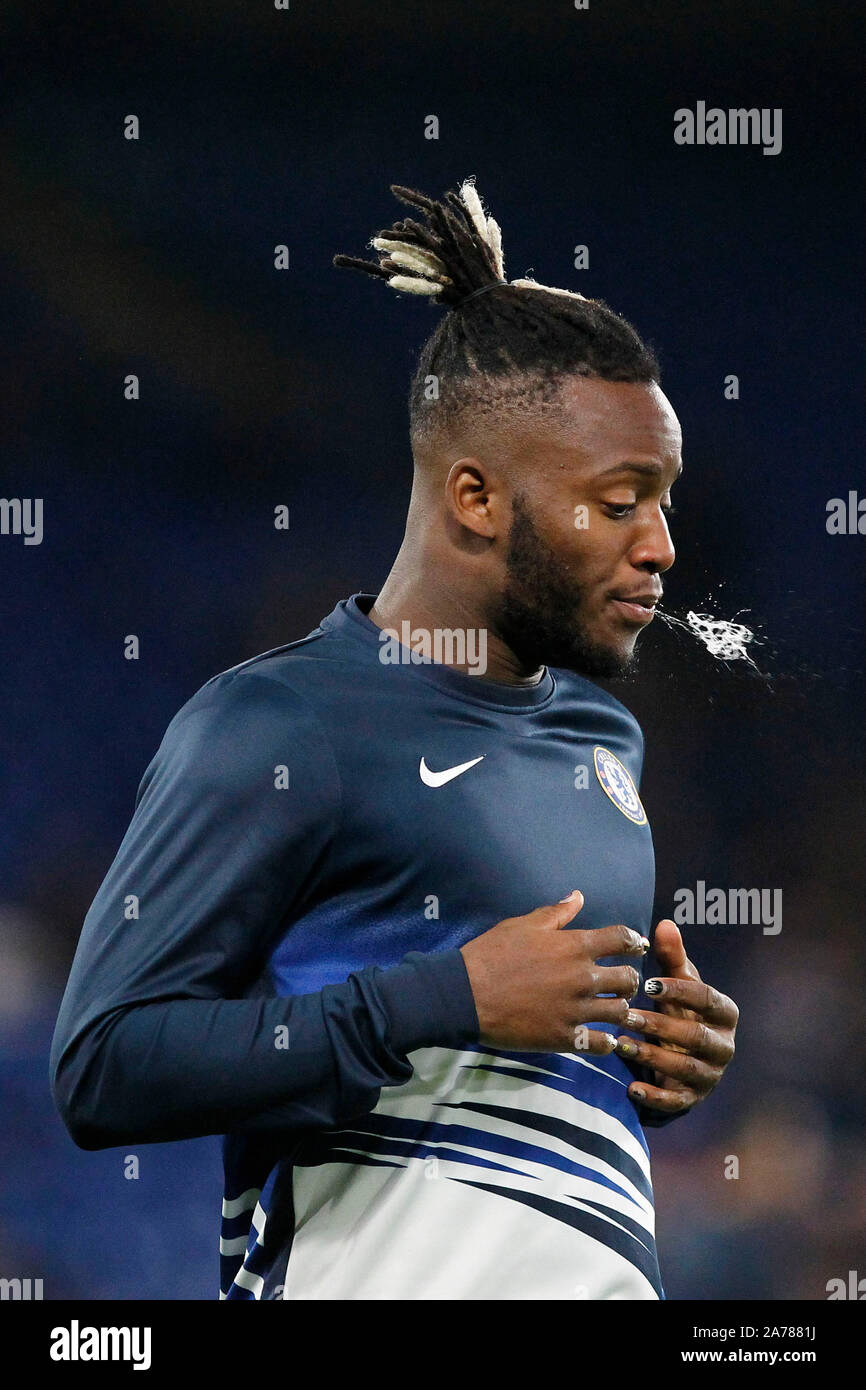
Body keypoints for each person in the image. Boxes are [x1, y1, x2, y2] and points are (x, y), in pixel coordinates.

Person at [51, 179, 737, 1300]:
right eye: (619, 501)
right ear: (474, 495)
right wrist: (444, 997)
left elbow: (515, 1072)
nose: (661, 545)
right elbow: (103, 1068)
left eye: (663, 501)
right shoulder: (279, 726)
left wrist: (653, 1052)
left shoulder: (604, 739)